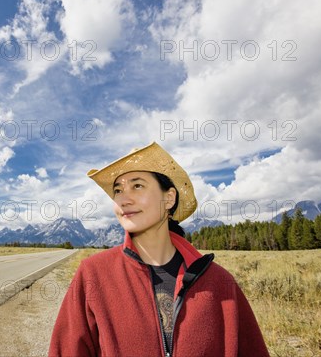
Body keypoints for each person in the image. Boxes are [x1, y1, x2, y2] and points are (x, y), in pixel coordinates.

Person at [48, 142, 269, 357]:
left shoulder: (220, 283)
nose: (124, 199)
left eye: (137, 185)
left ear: (169, 198)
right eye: (118, 190)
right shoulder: (93, 273)